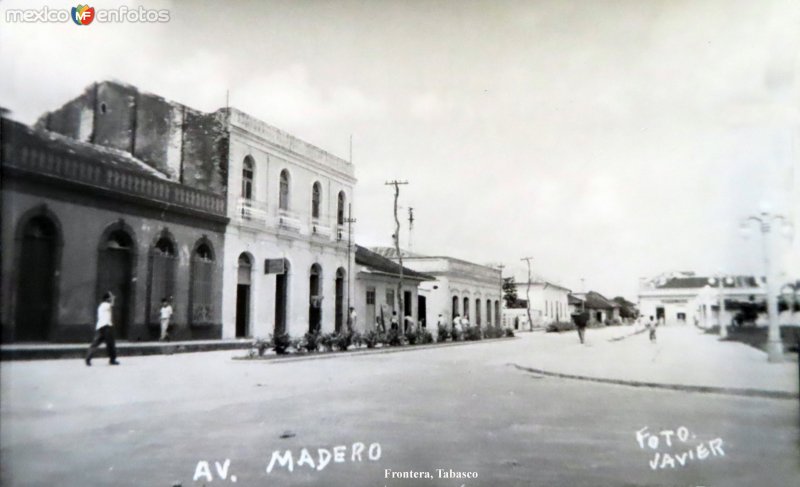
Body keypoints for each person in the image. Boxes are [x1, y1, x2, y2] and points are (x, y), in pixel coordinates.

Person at [85, 292, 120, 366]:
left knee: (95, 343)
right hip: (107, 327)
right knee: (110, 344)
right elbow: (112, 305)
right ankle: (112, 359)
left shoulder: (101, 306)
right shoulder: (106, 305)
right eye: (110, 298)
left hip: (100, 327)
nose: (111, 299)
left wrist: (112, 297)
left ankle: (88, 358)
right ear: (107, 299)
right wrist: (113, 299)